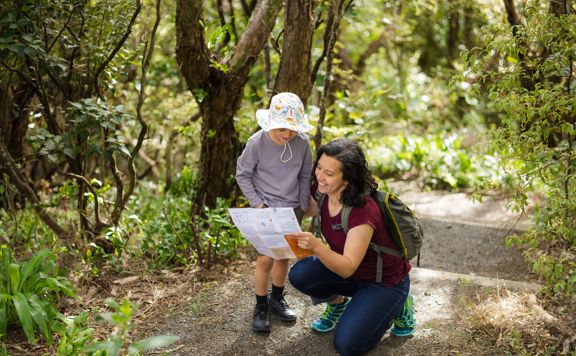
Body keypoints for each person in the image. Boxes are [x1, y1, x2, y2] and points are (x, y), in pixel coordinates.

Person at [287, 139, 415, 355]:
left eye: (329, 173)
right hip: (352, 276)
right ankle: (338, 304)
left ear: (347, 177)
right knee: (300, 274)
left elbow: (347, 267)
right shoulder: (321, 191)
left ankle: (400, 305)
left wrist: (317, 247)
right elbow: (308, 209)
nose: (320, 176)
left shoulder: (363, 210)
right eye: (319, 167)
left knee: (347, 346)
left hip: (383, 282)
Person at [236, 92, 314, 332]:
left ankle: (277, 298)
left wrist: (302, 205)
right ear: (271, 122)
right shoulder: (256, 143)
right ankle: (260, 305)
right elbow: (243, 175)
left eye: (292, 129)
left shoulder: (302, 143)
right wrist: (258, 205)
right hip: (265, 208)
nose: (287, 134)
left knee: (283, 256)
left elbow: (304, 176)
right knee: (265, 259)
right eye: (282, 129)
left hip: (292, 209)